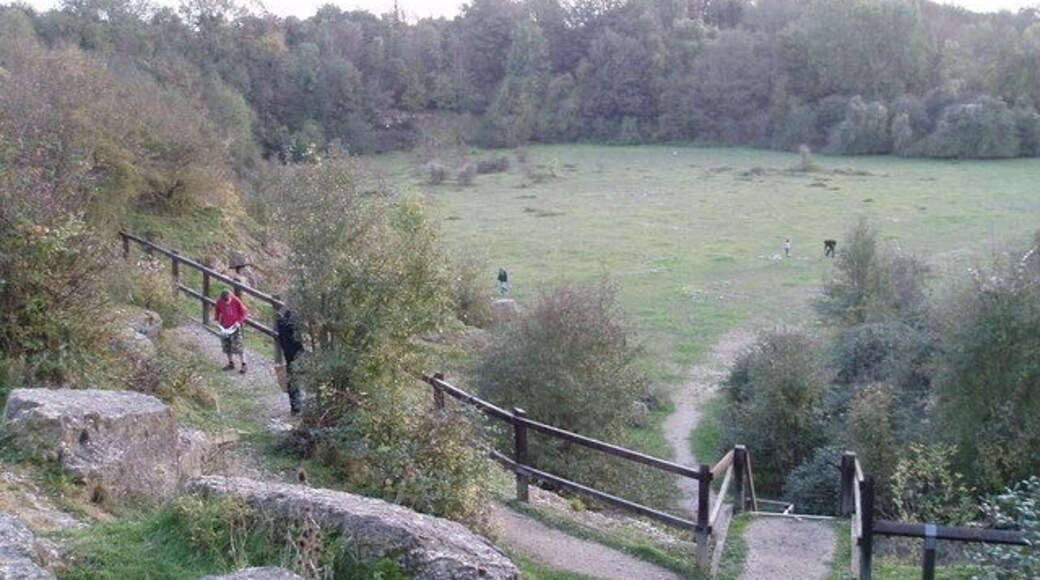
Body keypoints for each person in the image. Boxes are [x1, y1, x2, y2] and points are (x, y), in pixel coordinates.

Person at [274, 297, 304, 416]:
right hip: (296, 351)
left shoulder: (281, 319)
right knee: (295, 379)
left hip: (288, 352)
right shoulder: (293, 321)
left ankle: (295, 407)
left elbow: (281, 338)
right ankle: (297, 407)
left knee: (292, 378)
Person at [215, 289, 248, 373]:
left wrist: (238, 322)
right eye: (224, 301)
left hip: (234, 327)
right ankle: (231, 363)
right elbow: (217, 310)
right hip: (225, 326)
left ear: (230, 297)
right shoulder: (219, 301)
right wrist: (217, 319)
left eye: (228, 300)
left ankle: (244, 364)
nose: (226, 303)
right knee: (227, 346)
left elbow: (244, 312)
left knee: (239, 346)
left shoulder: (236, 301)